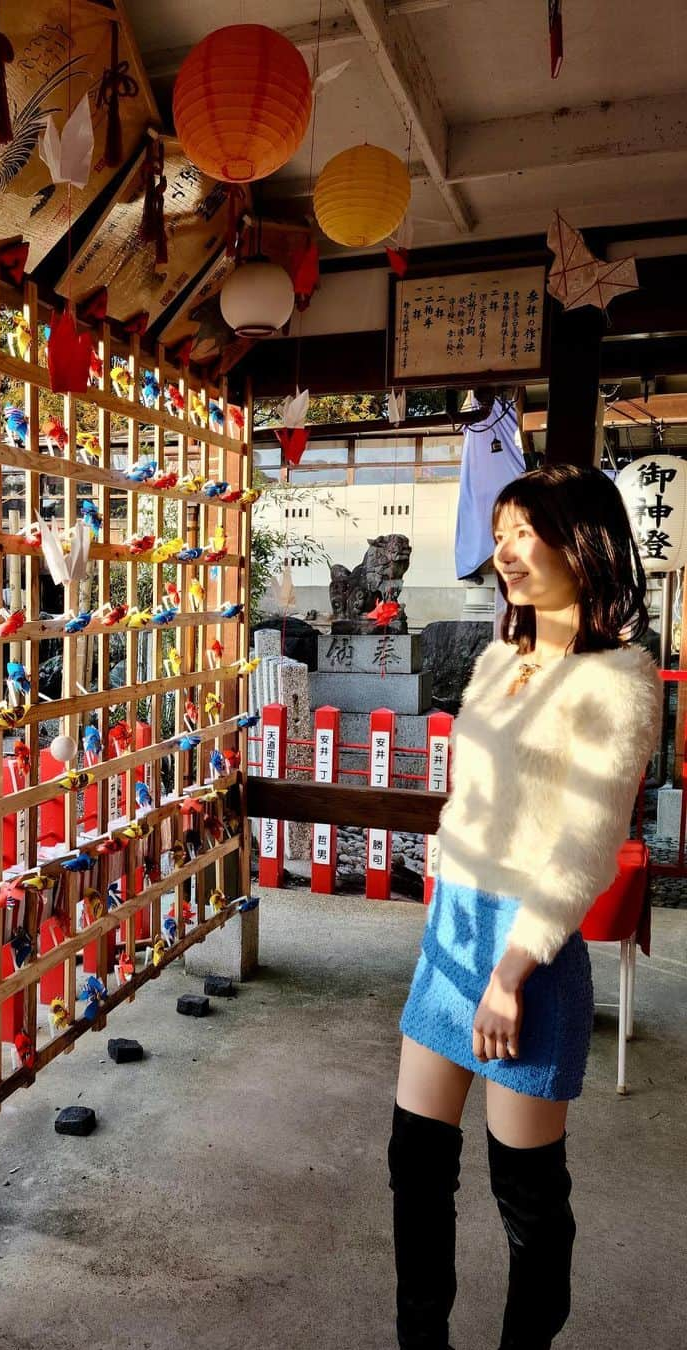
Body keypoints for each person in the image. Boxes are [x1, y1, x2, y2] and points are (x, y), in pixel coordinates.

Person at [389, 462, 663, 1350]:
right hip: (451, 936)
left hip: (527, 959)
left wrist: (511, 972)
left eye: (522, 531)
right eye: (499, 532)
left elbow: (585, 847)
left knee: (528, 1199)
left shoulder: (618, 680)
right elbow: (468, 800)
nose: (503, 551)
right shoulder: (500, 658)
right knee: (416, 1169)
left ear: (579, 543)